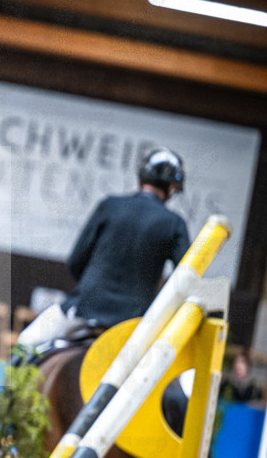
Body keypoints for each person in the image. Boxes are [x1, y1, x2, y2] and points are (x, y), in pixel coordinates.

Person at [17, 147, 190, 350]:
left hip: (85, 309)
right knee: (179, 377)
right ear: (172, 187)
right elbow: (185, 278)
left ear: (142, 176)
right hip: (133, 324)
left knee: (25, 343)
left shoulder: (109, 206)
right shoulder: (175, 223)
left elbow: (76, 261)